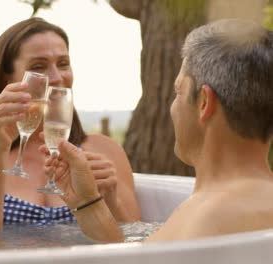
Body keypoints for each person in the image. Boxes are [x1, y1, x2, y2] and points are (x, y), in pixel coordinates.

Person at [45, 19, 273, 242]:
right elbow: (138, 257)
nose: (172, 107)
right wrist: (87, 202)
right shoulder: (252, 204)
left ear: (204, 102)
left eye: (178, 92)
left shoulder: (205, 216)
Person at [0, 17, 141, 230]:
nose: (56, 77)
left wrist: (109, 199)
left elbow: (137, 239)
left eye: (63, 63)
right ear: (7, 79)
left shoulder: (104, 150)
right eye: (39, 66)